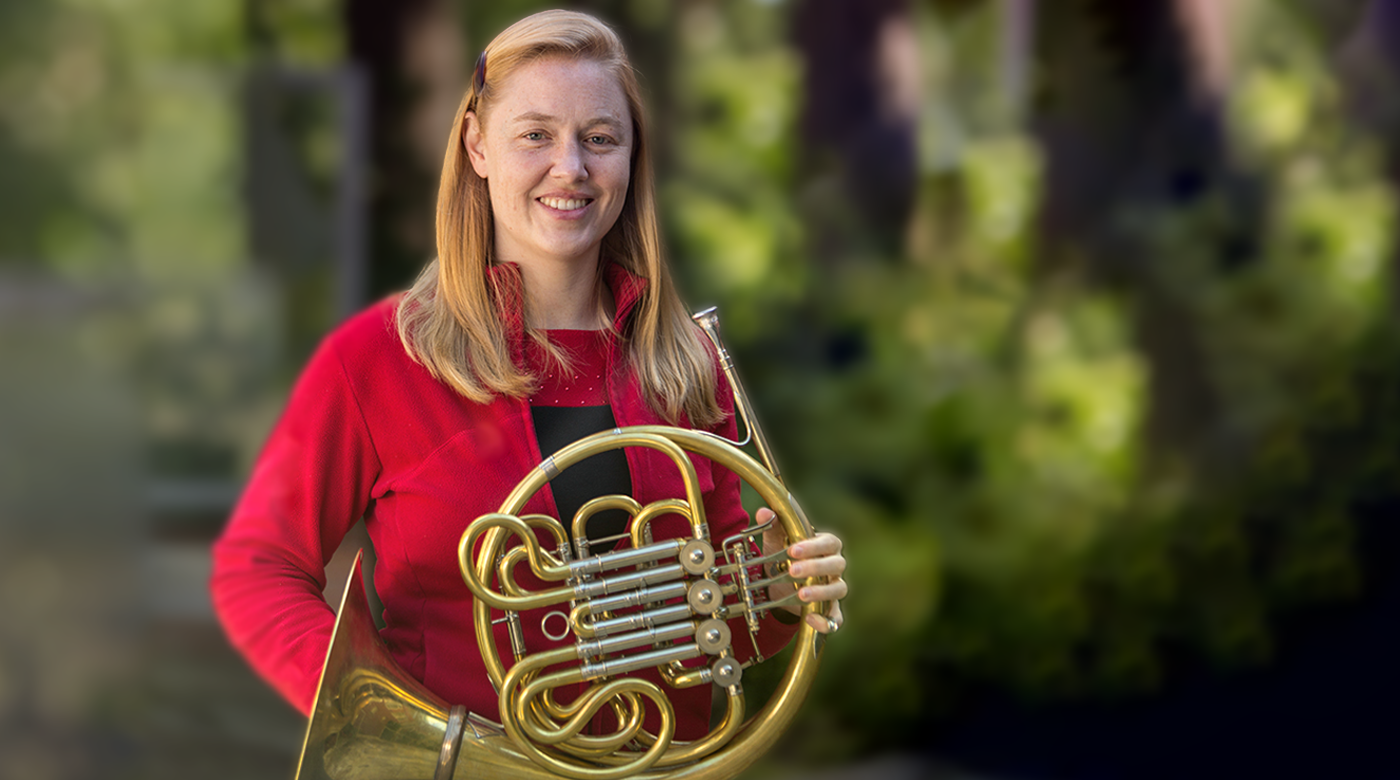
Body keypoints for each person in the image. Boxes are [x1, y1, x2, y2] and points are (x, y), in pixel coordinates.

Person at [210, 9, 847, 742]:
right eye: (536, 135)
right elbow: (258, 567)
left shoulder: (685, 363)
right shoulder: (379, 358)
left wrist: (776, 590)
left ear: (632, 158)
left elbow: (722, 635)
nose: (570, 168)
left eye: (600, 139)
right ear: (478, 146)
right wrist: (381, 719)